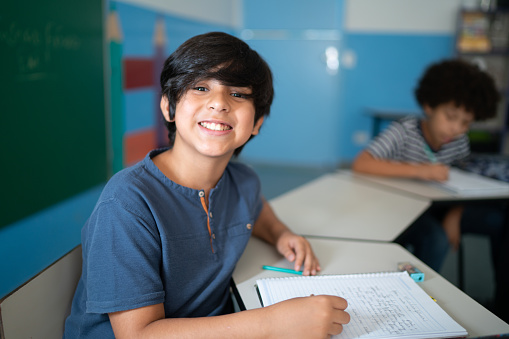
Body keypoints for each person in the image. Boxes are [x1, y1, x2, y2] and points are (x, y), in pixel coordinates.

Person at [63, 32, 350, 338]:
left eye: (238, 94)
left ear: (257, 123)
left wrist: (280, 233)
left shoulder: (244, 181)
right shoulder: (127, 203)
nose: (218, 104)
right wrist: (271, 324)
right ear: (169, 107)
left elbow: (256, 207)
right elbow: (138, 334)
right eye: (201, 88)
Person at [352, 59, 503, 273]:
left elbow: (465, 184)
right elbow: (361, 163)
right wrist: (420, 170)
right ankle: (417, 294)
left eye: (466, 122)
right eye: (450, 117)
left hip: (442, 208)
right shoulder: (403, 131)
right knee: (436, 239)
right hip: (403, 209)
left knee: (498, 221)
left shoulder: (460, 142)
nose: (456, 129)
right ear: (429, 105)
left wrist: (455, 215)